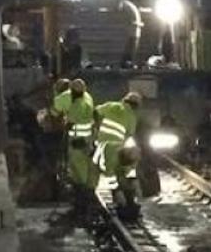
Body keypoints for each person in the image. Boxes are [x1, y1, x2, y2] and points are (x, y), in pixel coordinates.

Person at [93, 91, 143, 220]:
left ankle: (124, 200)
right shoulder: (132, 117)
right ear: (136, 106)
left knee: (116, 172)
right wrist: (118, 192)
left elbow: (95, 112)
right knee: (119, 173)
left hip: (103, 144)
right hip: (112, 148)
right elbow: (129, 135)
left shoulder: (111, 105)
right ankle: (125, 200)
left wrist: (97, 127)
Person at [52, 78, 96, 218]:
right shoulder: (87, 97)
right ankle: (86, 200)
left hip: (77, 141)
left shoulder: (67, 98)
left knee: (77, 171)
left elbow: (54, 113)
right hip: (88, 140)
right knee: (86, 168)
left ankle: (81, 205)